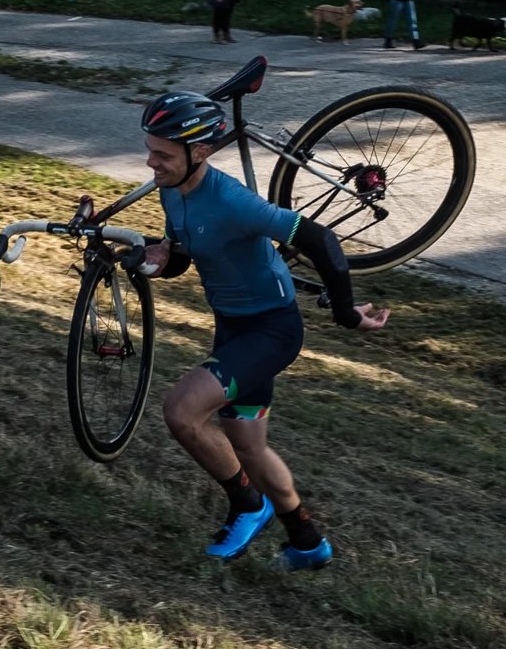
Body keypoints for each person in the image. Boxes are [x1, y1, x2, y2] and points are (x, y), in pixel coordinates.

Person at [134, 91, 388, 568]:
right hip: (232, 326)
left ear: (200, 152)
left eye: (162, 155)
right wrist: (158, 256)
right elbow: (186, 253)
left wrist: (347, 312)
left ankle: (248, 506)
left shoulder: (233, 200)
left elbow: (319, 238)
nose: (152, 163)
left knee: (182, 413)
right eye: (150, 150)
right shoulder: (173, 190)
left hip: (271, 331)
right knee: (249, 448)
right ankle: (307, 541)